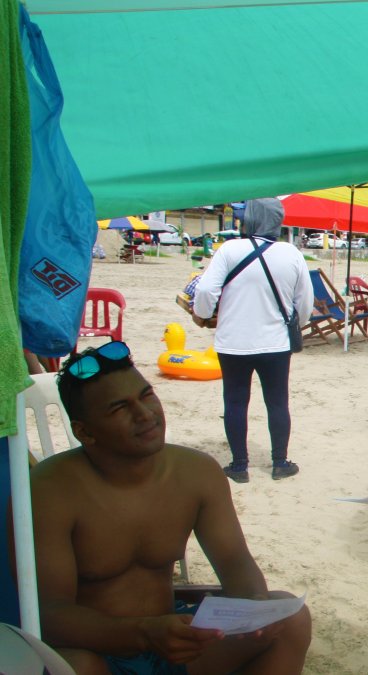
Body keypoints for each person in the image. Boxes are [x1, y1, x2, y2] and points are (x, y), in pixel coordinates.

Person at [31, 342, 311, 673]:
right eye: (120, 408)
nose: (145, 414)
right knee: (73, 666)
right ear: (85, 432)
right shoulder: (52, 489)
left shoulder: (196, 473)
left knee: (290, 616)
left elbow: (235, 563)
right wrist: (142, 634)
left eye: (146, 395)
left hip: (177, 641)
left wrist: (256, 610)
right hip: (101, 648)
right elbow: (50, 614)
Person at [193, 198, 314, 483]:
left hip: (233, 341)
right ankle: (280, 462)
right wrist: (297, 323)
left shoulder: (230, 249)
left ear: (249, 219)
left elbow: (206, 290)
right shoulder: (291, 253)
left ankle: (239, 466)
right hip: (275, 343)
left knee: (235, 402)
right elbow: (305, 302)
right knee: (277, 402)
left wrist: (203, 314)